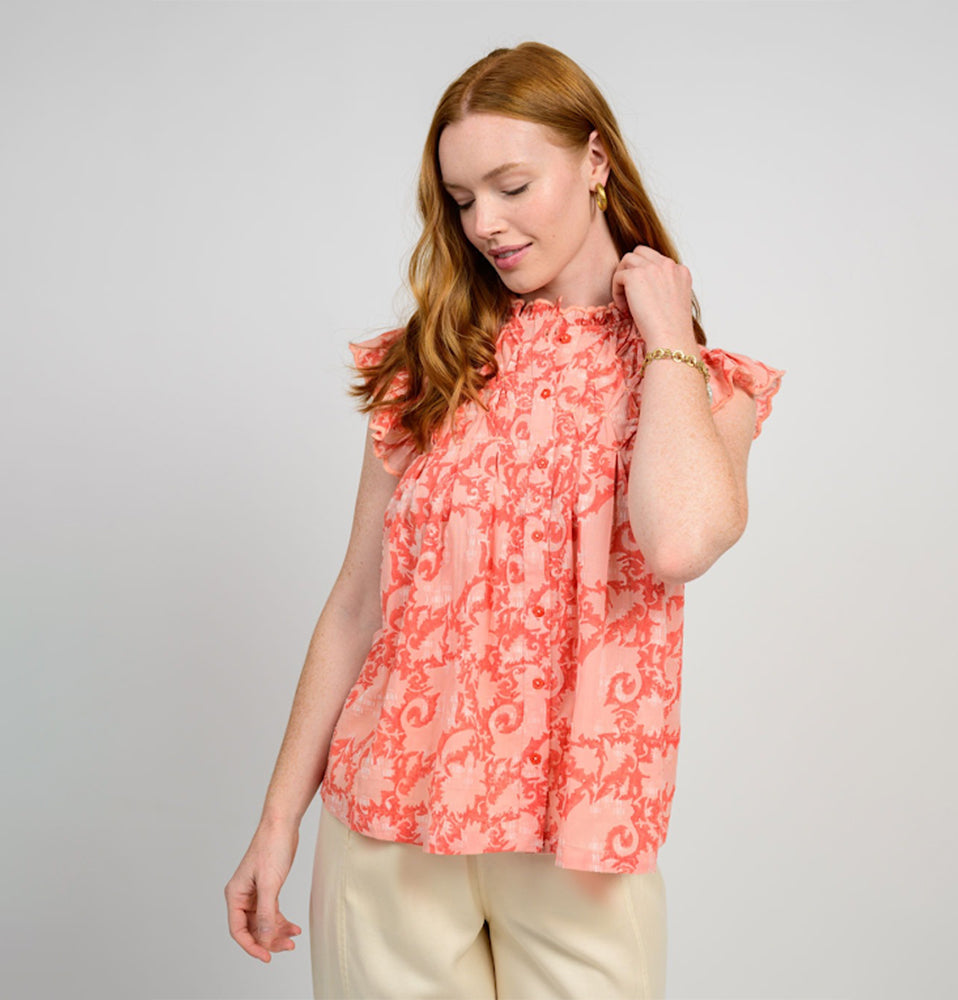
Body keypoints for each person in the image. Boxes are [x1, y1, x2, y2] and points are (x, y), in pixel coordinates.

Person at [225, 40, 785, 1000]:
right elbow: (359, 600)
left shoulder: (698, 380)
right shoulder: (430, 364)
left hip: (577, 839)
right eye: (461, 198)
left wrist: (661, 334)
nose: (485, 221)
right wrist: (279, 819)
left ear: (596, 161)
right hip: (388, 824)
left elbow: (681, 541)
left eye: (512, 184)